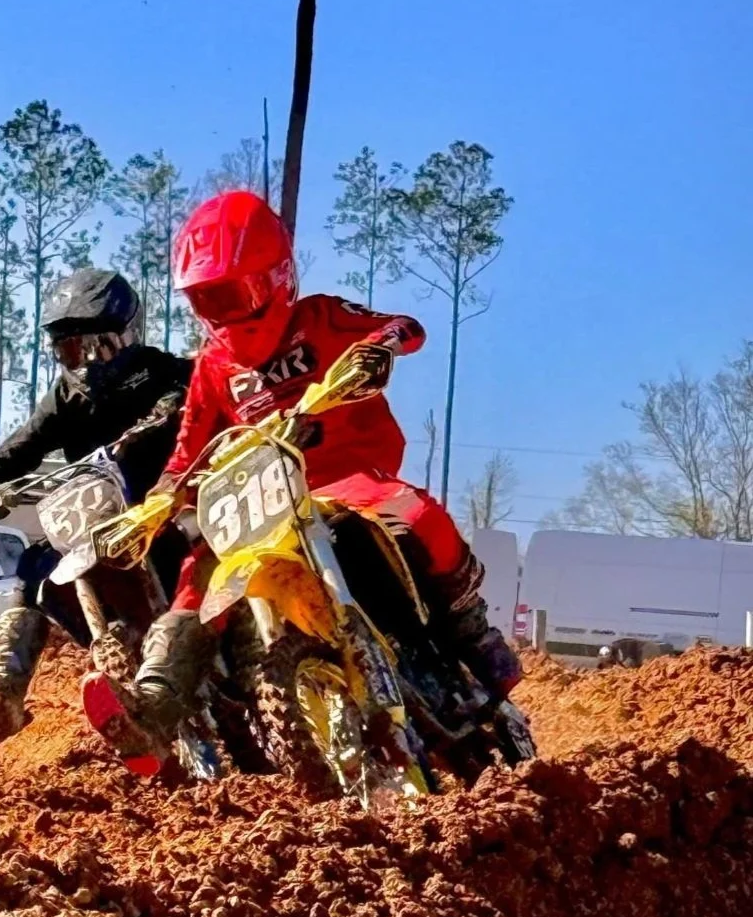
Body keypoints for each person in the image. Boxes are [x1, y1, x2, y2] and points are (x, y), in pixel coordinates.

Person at [82, 189, 522, 769]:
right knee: (198, 572)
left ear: (277, 277)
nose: (224, 312)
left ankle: (472, 632)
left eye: (234, 293)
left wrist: (378, 350)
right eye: (208, 300)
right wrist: (159, 501)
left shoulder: (320, 319)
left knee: (418, 514)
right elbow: (187, 447)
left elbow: (403, 325)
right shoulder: (213, 365)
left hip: (346, 477)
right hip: (262, 497)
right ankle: (155, 704)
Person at [0, 268, 193, 737]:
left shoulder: (168, 373)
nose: (81, 360)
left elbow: (205, 401)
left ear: (124, 336)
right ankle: (6, 686)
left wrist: (173, 407)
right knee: (35, 565)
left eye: (91, 346)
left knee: (202, 555)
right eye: (68, 349)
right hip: (96, 520)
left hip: (165, 509)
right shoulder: (67, 394)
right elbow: (23, 444)